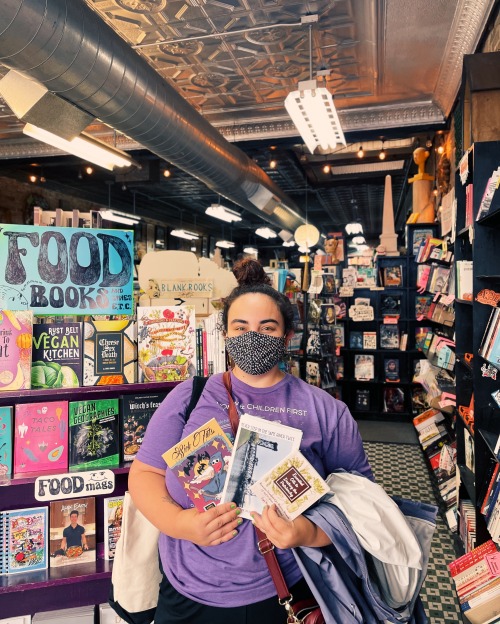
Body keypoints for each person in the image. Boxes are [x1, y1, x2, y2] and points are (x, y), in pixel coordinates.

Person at [129, 257, 373, 624]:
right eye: (240, 327)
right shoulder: (189, 397)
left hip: (284, 592)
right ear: (225, 334)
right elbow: (145, 473)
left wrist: (306, 532)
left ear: (287, 337)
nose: (252, 337)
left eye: (267, 327)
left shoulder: (325, 410)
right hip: (186, 593)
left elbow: (364, 506)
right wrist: (182, 524)